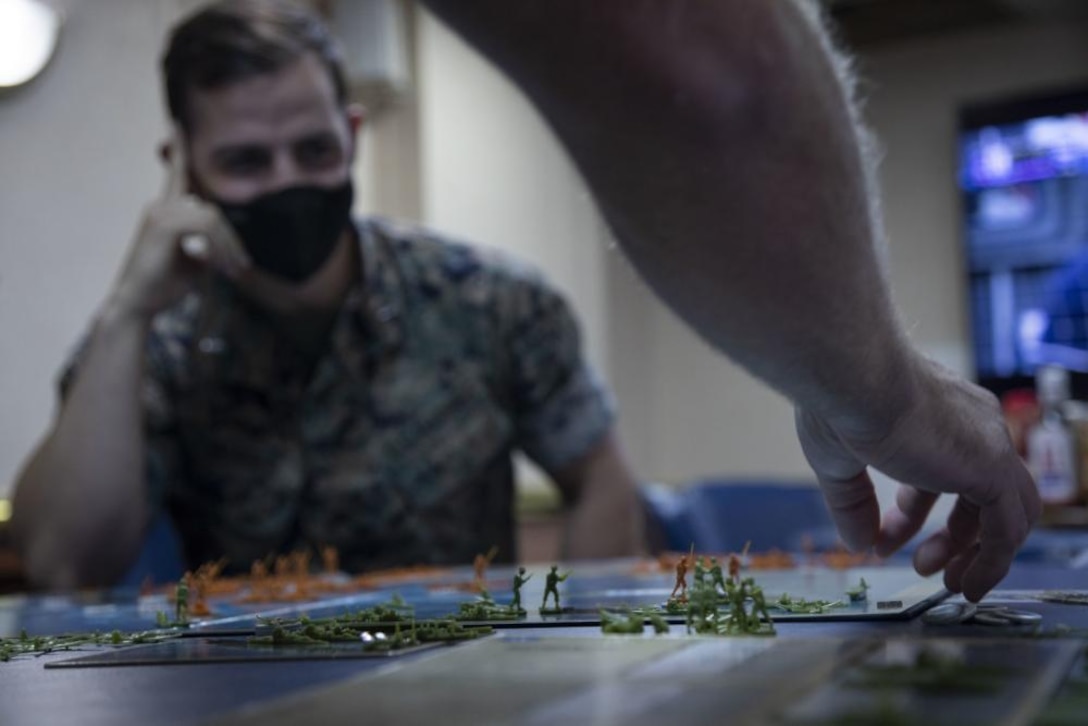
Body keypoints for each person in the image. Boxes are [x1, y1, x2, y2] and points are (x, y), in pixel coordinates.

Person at [420, 0, 1041, 602]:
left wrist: (882, 395)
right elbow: (713, 73)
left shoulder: (481, 297)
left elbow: (705, 63)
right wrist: (891, 396)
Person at [10, 0, 643, 589]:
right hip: (250, 691)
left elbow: (600, 478)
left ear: (352, 135)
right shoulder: (164, 340)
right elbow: (66, 562)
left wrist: (576, 640)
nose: (288, 182)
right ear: (183, 166)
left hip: (462, 684)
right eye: (246, 162)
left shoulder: (489, 300)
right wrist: (128, 312)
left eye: (314, 151)